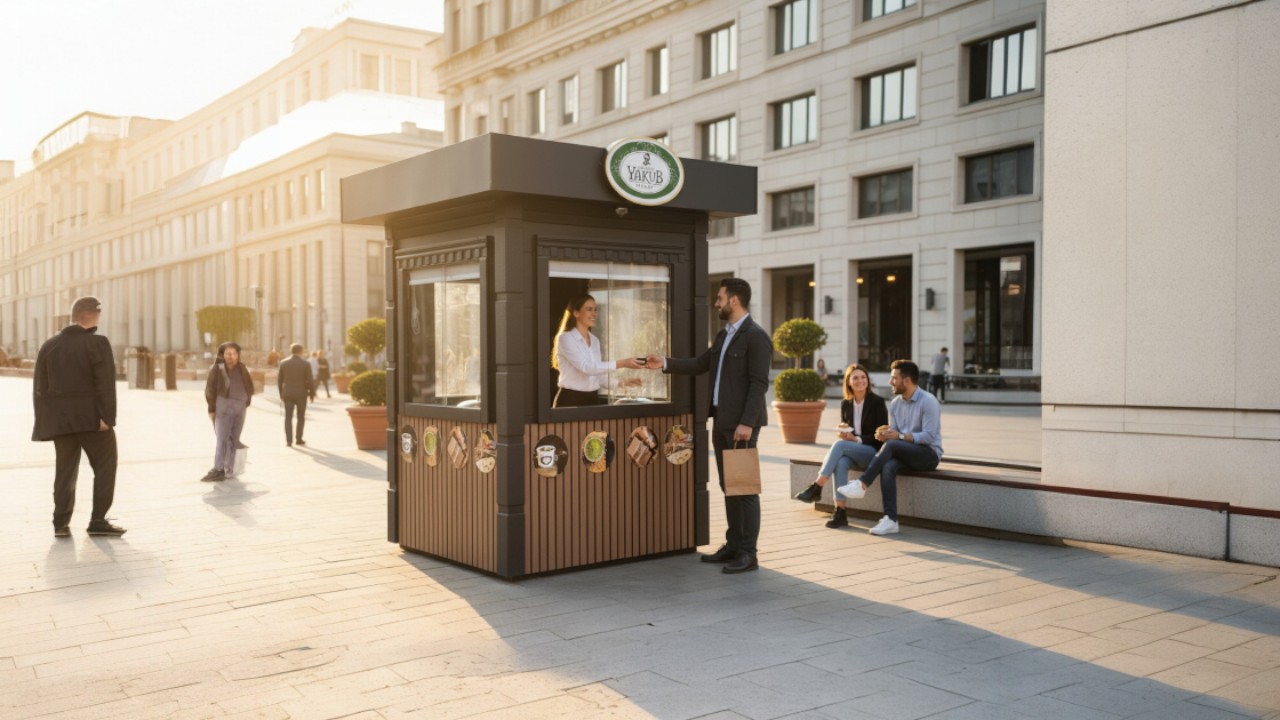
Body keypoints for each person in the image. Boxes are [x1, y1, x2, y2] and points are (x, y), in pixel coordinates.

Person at [646, 278, 772, 574]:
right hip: (722, 421)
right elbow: (701, 364)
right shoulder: (723, 335)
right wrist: (663, 363)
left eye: (720, 298)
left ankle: (748, 553)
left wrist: (746, 423)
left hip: (741, 427)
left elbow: (759, 384)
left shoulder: (756, 337)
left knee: (745, 489)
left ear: (735, 300)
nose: (716, 303)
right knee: (728, 486)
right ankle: (733, 545)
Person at [32, 296, 126, 537]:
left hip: (60, 422)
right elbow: (105, 384)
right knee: (105, 467)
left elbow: (39, 388)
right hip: (92, 420)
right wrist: (107, 417)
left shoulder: (49, 345)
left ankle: (60, 524)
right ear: (93, 315)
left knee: (64, 470)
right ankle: (98, 521)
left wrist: (45, 422)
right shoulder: (97, 343)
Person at [837, 359, 943, 536]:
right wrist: (885, 434)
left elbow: (929, 436)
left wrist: (898, 437)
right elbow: (895, 433)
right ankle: (891, 520)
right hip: (904, 452)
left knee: (892, 444)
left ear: (906, 380)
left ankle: (862, 484)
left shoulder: (928, 401)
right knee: (888, 466)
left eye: (894, 378)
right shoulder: (895, 403)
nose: (890, 382)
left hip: (928, 455)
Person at [792, 363, 889, 528]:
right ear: (849, 382)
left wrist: (855, 440)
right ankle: (840, 511)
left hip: (873, 453)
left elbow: (881, 436)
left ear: (868, 380)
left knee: (840, 446)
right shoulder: (846, 403)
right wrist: (844, 434)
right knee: (841, 461)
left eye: (863, 377)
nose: (860, 381)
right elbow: (845, 427)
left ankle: (818, 485)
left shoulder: (877, 402)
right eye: (856, 378)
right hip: (853, 451)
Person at [550, 294, 645, 407]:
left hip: (592, 400)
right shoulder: (566, 338)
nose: (594, 313)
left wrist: (621, 383)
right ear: (576, 313)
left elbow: (596, 375)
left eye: (595, 309)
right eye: (589, 309)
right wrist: (622, 363)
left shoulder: (594, 340)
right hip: (570, 400)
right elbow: (587, 368)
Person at [203, 342, 255, 481]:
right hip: (223, 406)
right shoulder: (217, 369)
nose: (231, 356)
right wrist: (211, 409)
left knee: (234, 438)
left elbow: (250, 386)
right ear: (223, 354)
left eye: (233, 353)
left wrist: (245, 402)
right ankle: (219, 469)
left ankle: (230, 468)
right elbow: (209, 389)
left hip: (240, 407)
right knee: (222, 439)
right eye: (228, 353)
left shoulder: (242, 368)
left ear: (238, 355)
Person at [278, 343, 315, 446]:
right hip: (301, 394)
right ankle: (299, 439)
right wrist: (312, 394)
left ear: (291, 351)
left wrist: (281, 393)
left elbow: (279, 380)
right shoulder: (305, 364)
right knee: (301, 417)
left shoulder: (283, 363)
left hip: (288, 393)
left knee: (288, 417)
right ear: (301, 351)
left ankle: (289, 441)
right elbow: (310, 381)